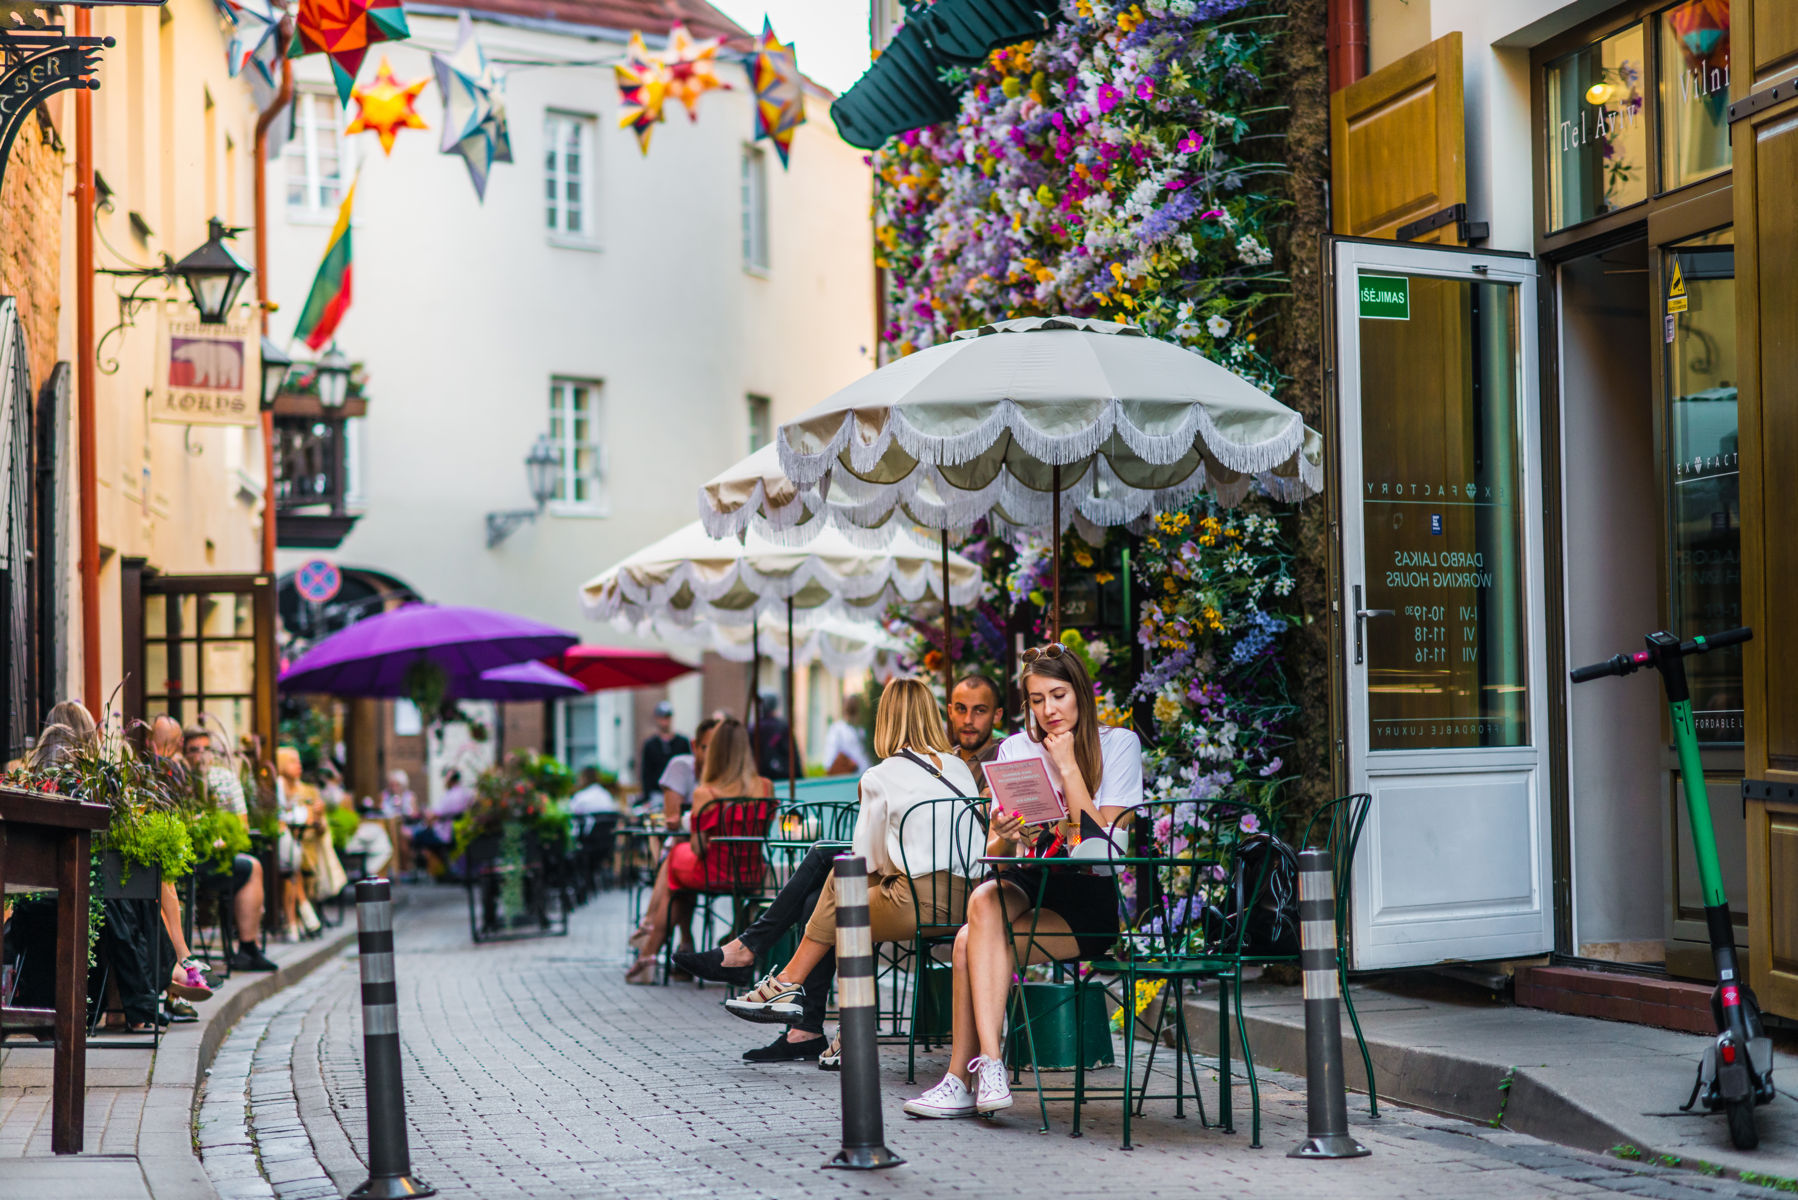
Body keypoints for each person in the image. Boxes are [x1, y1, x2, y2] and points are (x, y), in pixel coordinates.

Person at [681, 677, 983, 1064]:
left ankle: (782, 979)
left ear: (885, 719)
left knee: (839, 876)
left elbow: (865, 862)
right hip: (964, 902)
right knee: (827, 876)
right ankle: (801, 1017)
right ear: (932, 715)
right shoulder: (958, 768)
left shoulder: (881, 775)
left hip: (913, 904)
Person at [904, 643, 1143, 1119]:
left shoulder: (1119, 744)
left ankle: (960, 1079)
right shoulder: (1014, 748)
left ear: (1081, 693)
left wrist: (1069, 764)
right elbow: (992, 859)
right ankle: (990, 1064)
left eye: (1058, 695)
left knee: (968, 943)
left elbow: (1106, 850)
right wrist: (1004, 832)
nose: (1048, 710)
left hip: (1085, 897)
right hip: (1028, 881)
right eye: (1036, 700)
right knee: (986, 895)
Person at [624, 719, 772, 984]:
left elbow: (699, 847)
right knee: (676, 875)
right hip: (751, 872)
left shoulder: (707, 793)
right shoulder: (765, 787)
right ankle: (729, 936)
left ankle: (649, 953)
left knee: (673, 866)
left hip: (715, 872)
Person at [171, 721, 276, 973]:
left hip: (217, 856)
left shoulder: (225, 779)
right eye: (194, 749)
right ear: (185, 752)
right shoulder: (177, 778)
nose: (201, 755)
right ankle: (246, 948)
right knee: (251, 866)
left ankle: (247, 947)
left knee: (252, 866)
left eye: (206, 749)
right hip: (184, 860)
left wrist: (222, 837)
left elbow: (241, 825)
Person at [651, 715, 721, 828]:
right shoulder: (681, 766)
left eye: (718, 750)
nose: (711, 756)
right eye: (706, 748)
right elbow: (673, 820)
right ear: (694, 746)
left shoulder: (729, 773)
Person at [947, 674, 1003, 791]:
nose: (968, 720)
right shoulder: (941, 764)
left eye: (980, 710)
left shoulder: (1006, 759)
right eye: (961, 709)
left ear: (996, 715)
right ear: (950, 712)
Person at [637, 701, 690, 803]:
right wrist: (646, 796)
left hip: (679, 793)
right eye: (662, 717)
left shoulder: (682, 742)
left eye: (667, 717)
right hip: (657, 794)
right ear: (657, 719)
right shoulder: (650, 744)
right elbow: (646, 772)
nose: (664, 721)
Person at [820, 694, 872, 776]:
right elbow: (829, 760)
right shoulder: (837, 729)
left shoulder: (861, 729)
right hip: (847, 779)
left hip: (863, 776)